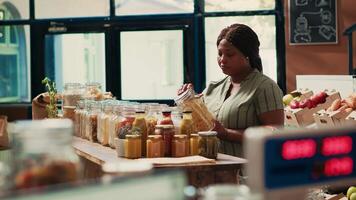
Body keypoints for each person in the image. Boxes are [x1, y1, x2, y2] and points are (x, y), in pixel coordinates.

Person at [178, 23, 284, 157]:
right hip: (212, 169)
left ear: (247, 55)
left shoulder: (265, 87)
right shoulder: (213, 88)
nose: (223, 60)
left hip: (247, 172)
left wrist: (227, 134)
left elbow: (275, 132)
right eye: (220, 53)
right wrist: (189, 100)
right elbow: (198, 123)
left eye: (230, 54)